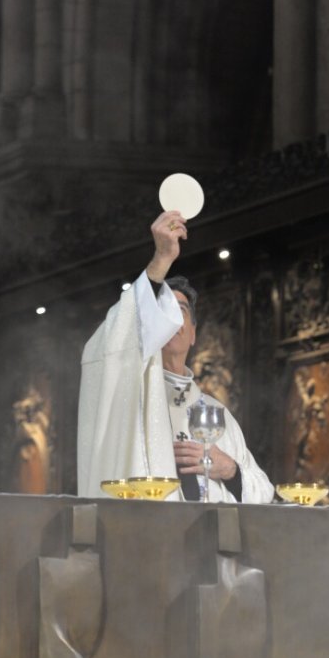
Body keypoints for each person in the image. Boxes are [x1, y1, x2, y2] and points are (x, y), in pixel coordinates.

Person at [77, 212, 274, 503]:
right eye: (160, 311)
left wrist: (230, 469)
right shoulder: (127, 393)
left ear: (193, 333)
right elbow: (111, 342)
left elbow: (264, 491)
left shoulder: (217, 416)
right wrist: (161, 260)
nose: (170, 322)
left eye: (179, 312)